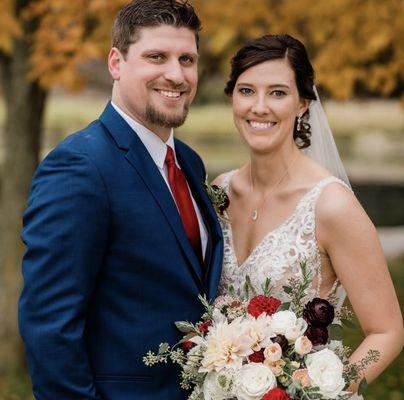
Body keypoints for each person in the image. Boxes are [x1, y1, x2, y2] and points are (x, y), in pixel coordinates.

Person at [18, 1, 223, 399]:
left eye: (187, 59)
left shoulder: (190, 164)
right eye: (156, 57)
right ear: (116, 62)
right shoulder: (79, 166)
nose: (176, 74)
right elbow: (50, 327)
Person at [214, 34, 403, 397]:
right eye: (247, 91)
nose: (259, 107)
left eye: (278, 93)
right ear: (232, 98)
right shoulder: (220, 192)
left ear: (302, 103)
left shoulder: (331, 205)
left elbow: (387, 333)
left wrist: (325, 389)